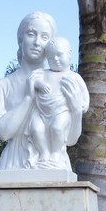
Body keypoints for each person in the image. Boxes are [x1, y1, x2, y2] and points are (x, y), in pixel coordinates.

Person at [0, 12, 88, 171]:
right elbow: (3, 133)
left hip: (55, 166)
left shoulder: (66, 81)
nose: (36, 42)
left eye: (44, 37)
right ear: (20, 39)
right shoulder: (2, 85)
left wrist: (76, 112)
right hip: (13, 166)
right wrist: (29, 98)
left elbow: (70, 140)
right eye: (31, 34)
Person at [29, 37, 89, 169]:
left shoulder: (73, 76)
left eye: (59, 55)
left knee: (57, 128)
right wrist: (38, 84)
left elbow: (84, 94)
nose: (55, 59)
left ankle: (56, 153)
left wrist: (83, 104)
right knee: (36, 129)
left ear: (69, 54)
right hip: (41, 111)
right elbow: (32, 82)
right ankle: (44, 151)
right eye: (51, 57)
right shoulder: (43, 73)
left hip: (61, 111)